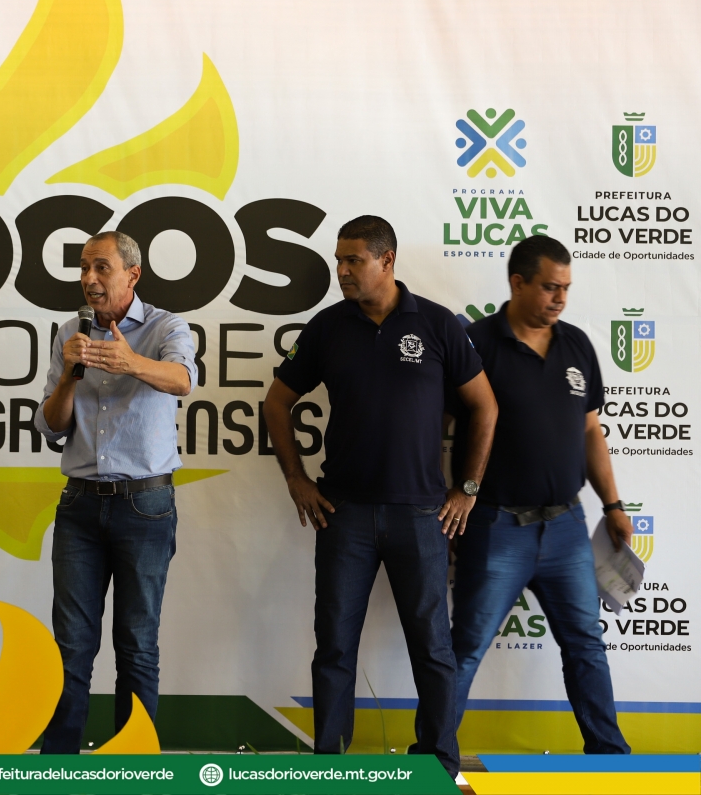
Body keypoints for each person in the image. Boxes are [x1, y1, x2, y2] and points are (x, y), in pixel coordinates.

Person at [263, 216, 497, 777]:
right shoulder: (327, 327)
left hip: (422, 514)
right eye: (338, 261)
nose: (341, 271)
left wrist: (467, 488)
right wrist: (296, 478)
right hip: (343, 515)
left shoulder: (438, 324)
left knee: (433, 648)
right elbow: (277, 401)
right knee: (334, 646)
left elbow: (484, 405)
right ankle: (329, 766)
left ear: (387, 261)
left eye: (353, 261)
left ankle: (438, 764)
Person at [447, 234, 632, 754]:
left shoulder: (577, 345)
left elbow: (590, 431)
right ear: (518, 282)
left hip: (568, 528)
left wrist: (613, 505)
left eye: (566, 288)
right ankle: (434, 757)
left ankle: (611, 759)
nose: (560, 298)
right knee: (465, 648)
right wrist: (446, 502)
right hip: (495, 526)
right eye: (550, 287)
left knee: (586, 646)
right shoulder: (477, 343)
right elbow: (439, 428)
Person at [34, 231, 197, 753]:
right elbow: (51, 426)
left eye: (101, 267)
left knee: (137, 645)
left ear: (133, 274)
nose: (89, 279)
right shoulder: (70, 332)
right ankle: (59, 768)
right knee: (70, 646)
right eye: (84, 268)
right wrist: (70, 376)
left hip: (144, 506)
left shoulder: (166, 327)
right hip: (79, 505)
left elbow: (182, 379)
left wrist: (129, 362)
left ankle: (133, 767)